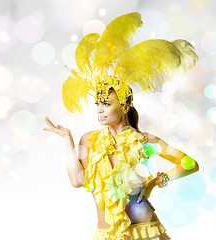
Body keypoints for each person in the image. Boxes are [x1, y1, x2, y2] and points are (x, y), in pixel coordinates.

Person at [44, 12, 199, 240]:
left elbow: (189, 164)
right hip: (108, 235)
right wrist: (67, 139)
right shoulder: (89, 141)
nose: (100, 110)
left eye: (106, 104)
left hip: (146, 231)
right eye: (98, 104)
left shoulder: (145, 143)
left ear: (125, 107)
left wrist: (157, 181)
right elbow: (78, 180)